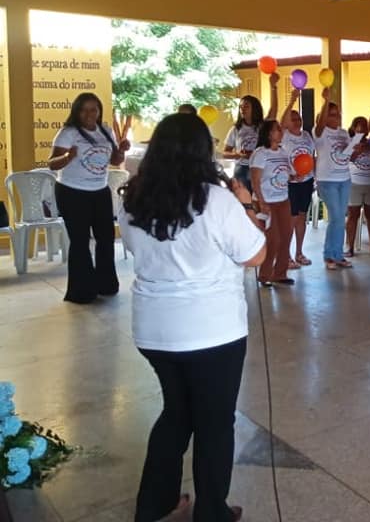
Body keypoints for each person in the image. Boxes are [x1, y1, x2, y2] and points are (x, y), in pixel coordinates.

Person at [119, 113, 265, 522]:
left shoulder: (132, 199)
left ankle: (155, 507)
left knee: (176, 414)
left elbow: (136, 250)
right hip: (211, 332)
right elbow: (255, 255)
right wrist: (248, 206)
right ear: (203, 152)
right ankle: (211, 513)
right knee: (215, 424)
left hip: (153, 331)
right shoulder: (217, 200)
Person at [48, 93, 130, 304]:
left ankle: (106, 284)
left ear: (99, 111)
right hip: (72, 191)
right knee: (80, 241)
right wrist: (68, 157)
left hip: (100, 190)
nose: (89, 114)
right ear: (76, 111)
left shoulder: (105, 130)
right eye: (84, 109)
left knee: (105, 238)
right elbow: (52, 164)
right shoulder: (68, 133)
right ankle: (82, 291)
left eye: (93, 109)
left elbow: (114, 160)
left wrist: (120, 150)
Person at [312, 89, 352, 270]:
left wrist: (355, 149)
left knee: (340, 218)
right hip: (327, 180)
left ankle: (338, 254)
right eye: (332, 114)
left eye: (338, 115)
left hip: (344, 178)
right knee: (336, 217)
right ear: (324, 116)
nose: (336, 118)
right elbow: (320, 125)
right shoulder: (319, 132)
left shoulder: (344, 133)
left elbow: (348, 155)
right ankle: (329, 255)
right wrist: (326, 100)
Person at [250, 119, 293, 287]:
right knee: (273, 239)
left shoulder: (283, 152)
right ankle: (264, 275)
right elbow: (255, 180)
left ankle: (280, 274)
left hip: (282, 199)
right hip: (266, 201)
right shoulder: (261, 154)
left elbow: (286, 173)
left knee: (286, 236)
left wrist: (293, 176)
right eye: (277, 130)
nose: (281, 132)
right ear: (268, 134)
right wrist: (261, 202)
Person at [280, 89, 315, 267]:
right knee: (291, 219)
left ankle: (299, 252)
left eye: (298, 118)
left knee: (302, 217)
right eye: (293, 118)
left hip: (306, 182)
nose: (296, 121)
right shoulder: (284, 136)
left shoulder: (307, 136)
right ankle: (285, 256)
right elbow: (282, 120)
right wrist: (293, 99)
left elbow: (311, 157)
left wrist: (312, 175)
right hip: (291, 183)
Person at [224, 75, 277, 191]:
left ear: (255, 108)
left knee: (260, 200)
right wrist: (239, 154)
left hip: (260, 167)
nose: (243, 109)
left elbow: (273, 111)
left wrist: (273, 87)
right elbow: (225, 153)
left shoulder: (261, 126)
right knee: (244, 201)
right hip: (242, 169)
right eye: (241, 107)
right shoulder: (236, 129)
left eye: (246, 106)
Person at [345, 116, 370, 257]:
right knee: (353, 215)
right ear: (353, 128)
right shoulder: (350, 142)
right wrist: (357, 150)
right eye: (358, 126)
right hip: (354, 184)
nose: (361, 129)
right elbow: (346, 159)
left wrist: (369, 145)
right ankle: (350, 247)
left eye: (364, 126)